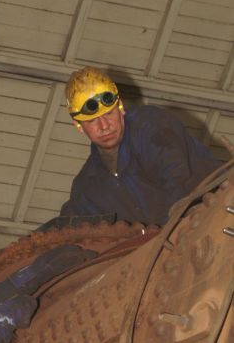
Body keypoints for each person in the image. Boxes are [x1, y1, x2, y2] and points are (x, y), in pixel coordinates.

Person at [59, 66, 222, 225]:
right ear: (79, 125)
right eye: (92, 121)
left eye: (109, 113)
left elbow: (176, 179)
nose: (104, 126)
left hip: (216, 211)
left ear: (121, 108)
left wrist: (165, 235)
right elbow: (67, 231)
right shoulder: (87, 188)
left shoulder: (150, 127)